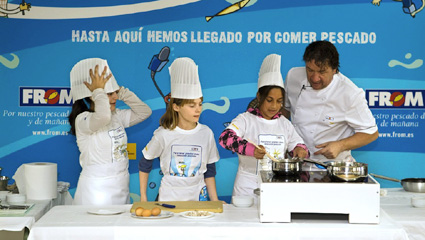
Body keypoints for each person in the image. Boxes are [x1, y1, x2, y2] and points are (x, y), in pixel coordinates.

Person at [219, 54, 308, 198]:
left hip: (277, 188)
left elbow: (299, 145)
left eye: (279, 101)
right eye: (269, 100)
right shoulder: (246, 119)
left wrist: (300, 150)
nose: (274, 106)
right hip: (247, 189)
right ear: (259, 97)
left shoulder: (285, 124)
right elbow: (225, 138)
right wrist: (251, 150)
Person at [68, 58, 152, 205]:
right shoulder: (83, 120)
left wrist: (121, 91)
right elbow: (103, 116)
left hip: (121, 184)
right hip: (95, 190)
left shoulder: (117, 116)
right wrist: (98, 91)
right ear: (92, 96)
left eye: (115, 93)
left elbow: (144, 112)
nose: (115, 98)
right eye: (109, 94)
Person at [283, 40, 378, 165]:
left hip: (333, 165)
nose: (315, 78)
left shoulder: (350, 93)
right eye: (310, 70)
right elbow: (284, 111)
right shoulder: (293, 76)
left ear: (334, 69)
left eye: (322, 72)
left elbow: (371, 133)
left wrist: (340, 145)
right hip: (297, 162)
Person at [138, 57, 220, 202]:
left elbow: (210, 170)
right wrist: (143, 198)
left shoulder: (206, 133)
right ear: (176, 107)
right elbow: (145, 163)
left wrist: (214, 201)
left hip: (198, 198)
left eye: (200, 104)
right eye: (191, 105)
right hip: (169, 198)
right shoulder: (163, 134)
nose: (198, 110)